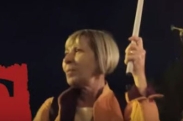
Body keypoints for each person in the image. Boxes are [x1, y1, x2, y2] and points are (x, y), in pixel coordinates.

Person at [33, 29, 162, 121]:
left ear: (102, 58)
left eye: (77, 50)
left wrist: (139, 74)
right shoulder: (51, 109)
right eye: (66, 52)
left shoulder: (125, 108)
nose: (67, 59)